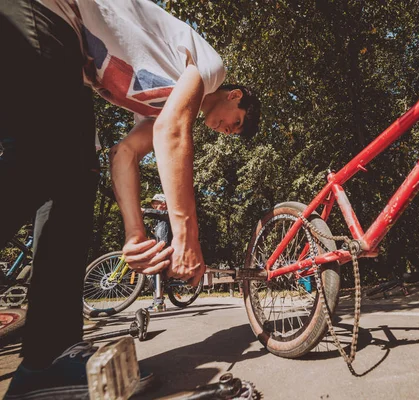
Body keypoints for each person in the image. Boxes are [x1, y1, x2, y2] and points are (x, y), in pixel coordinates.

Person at [0, 0, 261, 398]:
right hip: (42, 13)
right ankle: (47, 358)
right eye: (236, 122)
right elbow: (172, 132)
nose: (228, 130)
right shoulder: (211, 69)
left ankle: (47, 359)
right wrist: (186, 237)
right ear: (235, 95)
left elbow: (124, 154)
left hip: (57, 40)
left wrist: (134, 234)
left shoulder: (160, 103)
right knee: (53, 161)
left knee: (70, 174)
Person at [142, 194, 171, 312]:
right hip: (160, 248)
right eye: (153, 204)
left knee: (156, 270)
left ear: (164, 203)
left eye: (156, 203)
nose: (154, 206)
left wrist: (144, 211)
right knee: (152, 272)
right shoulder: (157, 221)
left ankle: (159, 302)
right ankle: (157, 299)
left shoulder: (168, 214)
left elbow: (161, 214)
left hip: (166, 248)